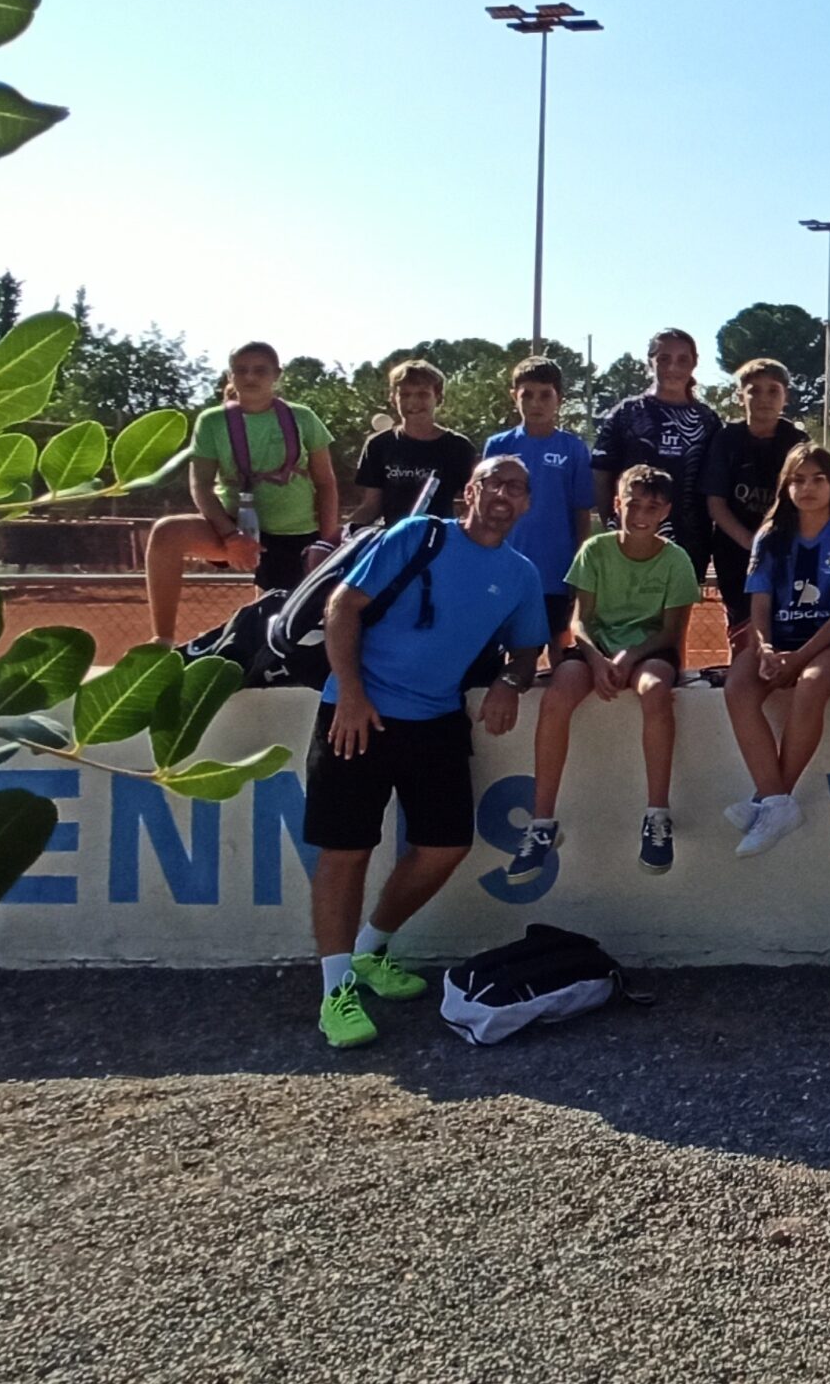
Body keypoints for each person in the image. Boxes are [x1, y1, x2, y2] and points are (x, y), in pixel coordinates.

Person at [306, 456, 548, 1048]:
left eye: (517, 488)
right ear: (470, 491)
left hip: (436, 719)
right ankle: (335, 992)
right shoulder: (419, 534)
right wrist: (352, 695)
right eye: (494, 482)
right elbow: (342, 606)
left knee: (445, 847)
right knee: (346, 852)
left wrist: (509, 682)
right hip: (357, 713)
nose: (504, 494)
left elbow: (527, 650)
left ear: (526, 504)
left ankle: (370, 951)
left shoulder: (520, 574)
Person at [507, 464, 701, 880]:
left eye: (652, 506)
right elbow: (579, 622)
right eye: (633, 504)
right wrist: (596, 659)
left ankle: (657, 816)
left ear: (666, 511)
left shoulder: (677, 560)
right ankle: (541, 824)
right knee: (558, 695)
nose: (641, 514)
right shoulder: (594, 550)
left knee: (655, 690)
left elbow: (670, 632)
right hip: (594, 650)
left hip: (649, 652)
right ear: (617, 504)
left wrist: (629, 656)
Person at [720, 445, 830, 857]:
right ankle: (776, 801)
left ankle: (769, 800)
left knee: (811, 685)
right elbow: (760, 605)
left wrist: (799, 658)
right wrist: (766, 647)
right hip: (778, 641)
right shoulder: (769, 538)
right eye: (798, 480)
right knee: (738, 686)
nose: (808, 488)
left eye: (818, 479)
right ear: (785, 487)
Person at [146, 341, 340, 643]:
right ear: (230, 376)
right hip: (233, 529)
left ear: (276, 375)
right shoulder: (212, 421)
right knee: (166, 532)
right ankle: (162, 641)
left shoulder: (303, 418)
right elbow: (200, 485)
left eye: (260, 370)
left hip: (294, 537)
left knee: (276, 627)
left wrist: (326, 545)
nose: (250, 377)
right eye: (241, 370)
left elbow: (326, 483)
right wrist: (231, 536)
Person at [592, 326, 722, 599]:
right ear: (649, 362)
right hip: (630, 540)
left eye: (682, 359)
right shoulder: (626, 414)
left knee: (674, 620)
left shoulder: (708, 421)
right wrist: (613, 525)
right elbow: (601, 475)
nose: (673, 367)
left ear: (694, 363)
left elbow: (715, 486)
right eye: (663, 358)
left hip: (689, 542)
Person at [482, 356, 596, 640]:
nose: (536, 403)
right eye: (527, 395)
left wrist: (578, 567)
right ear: (514, 397)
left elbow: (581, 513)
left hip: (556, 570)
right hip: (505, 567)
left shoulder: (573, 448)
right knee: (506, 644)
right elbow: (484, 509)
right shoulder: (498, 445)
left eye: (545, 395)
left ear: (560, 399)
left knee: (560, 646)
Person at [702, 358, 809, 652]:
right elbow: (716, 504)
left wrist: (780, 545)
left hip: (786, 550)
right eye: (754, 391)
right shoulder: (726, 440)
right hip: (736, 552)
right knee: (743, 633)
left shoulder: (796, 441)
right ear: (740, 396)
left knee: (785, 630)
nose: (764, 398)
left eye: (773, 391)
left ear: (786, 397)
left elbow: (808, 500)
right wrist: (752, 544)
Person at [350, 358, 475, 527]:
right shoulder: (378, 445)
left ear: (438, 398)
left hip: (438, 539)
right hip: (392, 539)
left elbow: (474, 504)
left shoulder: (459, 447)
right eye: (405, 395)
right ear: (393, 399)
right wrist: (336, 536)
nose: (413, 402)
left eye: (422, 394)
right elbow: (371, 507)